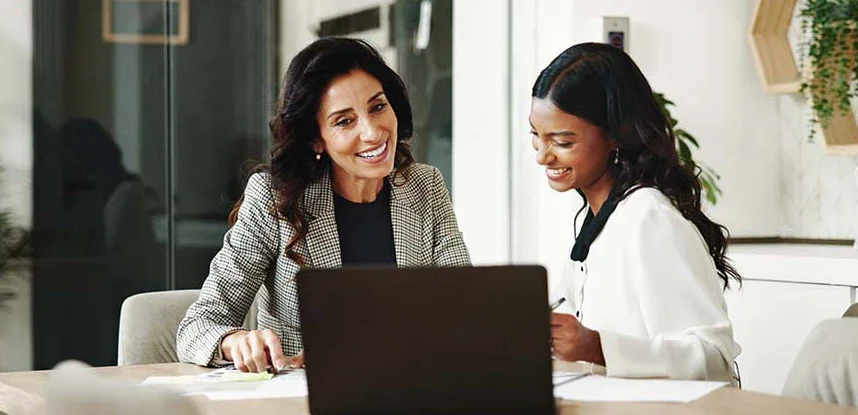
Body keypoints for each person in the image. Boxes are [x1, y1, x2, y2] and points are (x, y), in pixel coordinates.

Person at [176, 38, 471, 372]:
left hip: (408, 393)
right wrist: (235, 342)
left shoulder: (425, 186)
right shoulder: (274, 199)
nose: (373, 133)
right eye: (345, 121)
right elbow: (197, 326)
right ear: (316, 139)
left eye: (377, 107)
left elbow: (462, 311)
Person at [530, 42, 741, 382]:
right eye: (536, 136)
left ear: (615, 136)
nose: (542, 155)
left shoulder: (649, 218)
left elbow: (714, 359)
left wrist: (597, 346)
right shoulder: (596, 220)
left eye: (563, 142)